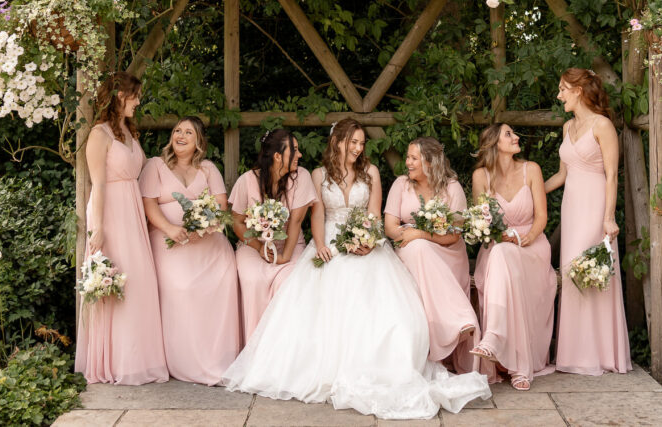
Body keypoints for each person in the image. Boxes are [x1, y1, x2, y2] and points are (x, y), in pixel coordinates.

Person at [223, 120, 490, 419]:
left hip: (367, 243)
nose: (358, 148)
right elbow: (319, 213)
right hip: (329, 243)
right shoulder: (318, 174)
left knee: (392, 313)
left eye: (362, 143)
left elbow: (375, 216)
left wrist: (369, 240)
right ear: (337, 140)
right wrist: (321, 245)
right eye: (353, 142)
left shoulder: (371, 172)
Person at [75, 72, 167, 384]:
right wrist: (97, 228)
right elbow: (97, 185)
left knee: (139, 283)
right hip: (110, 212)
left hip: (132, 212)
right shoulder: (99, 135)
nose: (138, 102)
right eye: (134, 96)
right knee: (116, 285)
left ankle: (139, 359)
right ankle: (115, 362)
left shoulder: (129, 131)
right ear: (118, 97)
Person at [139, 116, 240, 385]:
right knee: (182, 288)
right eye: (177, 131)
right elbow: (149, 206)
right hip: (169, 243)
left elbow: (220, 205)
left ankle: (220, 357)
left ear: (198, 143)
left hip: (208, 245)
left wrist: (204, 227)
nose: (180, 136)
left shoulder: (208, 168)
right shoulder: (155, 166)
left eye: (188, 133)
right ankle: (185, 360)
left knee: (226, 277)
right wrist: (171, 230)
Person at [545, 67, 632, 375]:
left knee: (592, 273)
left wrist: (608, 218)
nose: (559, 95)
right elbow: (561, 174)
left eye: (562, 89)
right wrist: (530, 192)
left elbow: (611, 176)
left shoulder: (602, 125)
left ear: (578, 90)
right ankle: (574, 355)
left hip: (595, 206)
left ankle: (601, 355)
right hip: (571, 206)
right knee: (571, 272)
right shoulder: (568, 126)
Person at [469, 124, 557, 390]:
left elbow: (541, 217)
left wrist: (523, 239)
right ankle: (517, 363)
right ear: (494, 143)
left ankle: (497, 340)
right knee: (499, 253)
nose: (516, 137)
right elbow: (481, 223)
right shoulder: (481, 176)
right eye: (509, 134)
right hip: (497, 246)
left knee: (503, 254)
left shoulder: (532, 170)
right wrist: (499, 238)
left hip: (531, 246)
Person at [384, 136, 481, 374]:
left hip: (446, 252)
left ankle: (451, 324)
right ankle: (457, 320)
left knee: (421, 247)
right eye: (408, 157)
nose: (408, 162)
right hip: (408, 249)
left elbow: (455, 234)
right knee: (418, 249)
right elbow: (389, 227)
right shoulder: (400, 185)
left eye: (414, 158)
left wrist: (421, 234)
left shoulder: (452, 188)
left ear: (430, 162)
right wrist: (412, 236)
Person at [229, 128, 315, 341]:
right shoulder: (246, 181)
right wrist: (258, 248)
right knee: (253, 280)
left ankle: (283, 349)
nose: (300, 155)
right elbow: (237, 222)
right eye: (294, 150)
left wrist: (285, 255)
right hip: (253, 245)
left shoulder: (301, 177)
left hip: (290, 244)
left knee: (288, 279)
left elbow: (295, 221)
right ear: (278, 156)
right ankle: (254, 348)